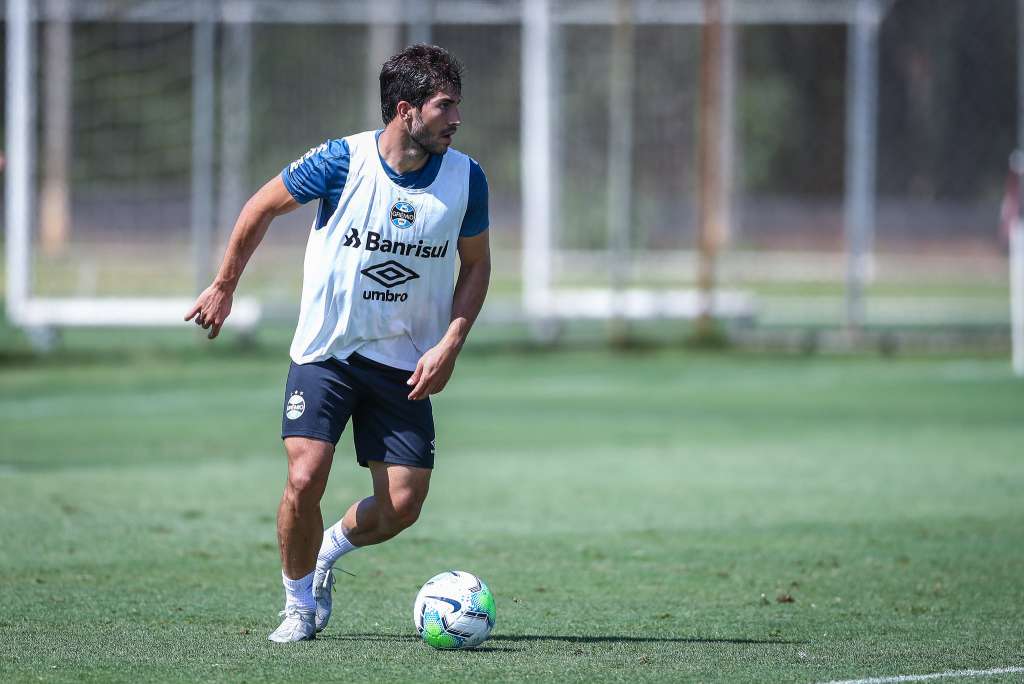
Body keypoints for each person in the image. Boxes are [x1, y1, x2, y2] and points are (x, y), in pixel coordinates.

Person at [184, 44, 490, 643]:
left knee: (402, 506)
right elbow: (261, 207)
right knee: (305, 477)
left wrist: (451, 342)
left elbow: (476, 265)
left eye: (457, 106)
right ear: (405, 110)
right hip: (327, 353)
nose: (456, 119)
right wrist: (224, 285)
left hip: (405, 362)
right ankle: (298, 605)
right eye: (444, 106)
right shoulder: (341, 161)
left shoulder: (466, 178)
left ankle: (325, 550)